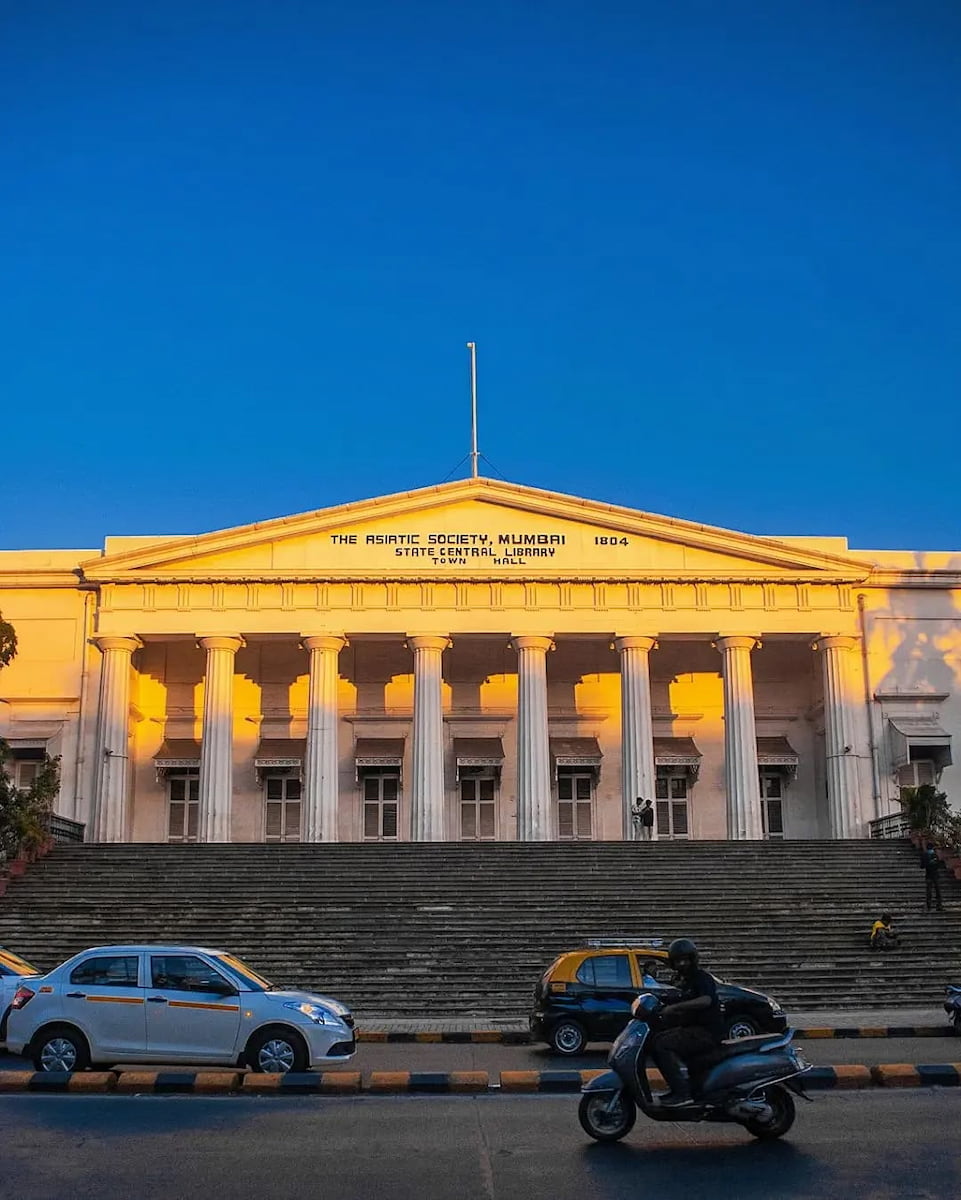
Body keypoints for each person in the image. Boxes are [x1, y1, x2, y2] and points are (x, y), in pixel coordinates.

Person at [650, 937, 724, 1108]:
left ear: (693, 959)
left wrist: (675, 1008)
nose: (682, 964)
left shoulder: (702, 978)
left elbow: (706, 1000)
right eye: (678, 961)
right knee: (655, 1040)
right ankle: (681, 1088)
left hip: (706, 1032)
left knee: (662, 1045)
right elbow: (670, 997)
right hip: (692, 1030)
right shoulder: (681, 981)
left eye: (685, 959)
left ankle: (682, 1093)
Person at [920, 841, 944, 912]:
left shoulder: (925, 855)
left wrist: (927, 864)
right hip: (935, 875)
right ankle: (939, 905)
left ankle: (929, 906)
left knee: (929, 891)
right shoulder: (935, 855)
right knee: (937, 891)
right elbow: (939, 865)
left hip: (928, 875)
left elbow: (922, 866)